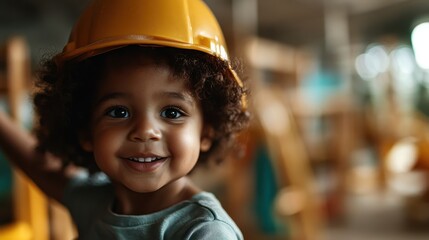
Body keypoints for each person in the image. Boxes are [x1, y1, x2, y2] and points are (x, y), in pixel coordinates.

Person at [0, 0, 249, 239]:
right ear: (86, 131)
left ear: (206, 132)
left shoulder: (205, 232)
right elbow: (40, 165)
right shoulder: (95, 203)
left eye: (172, 113)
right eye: (119, 112)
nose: (145, 131)